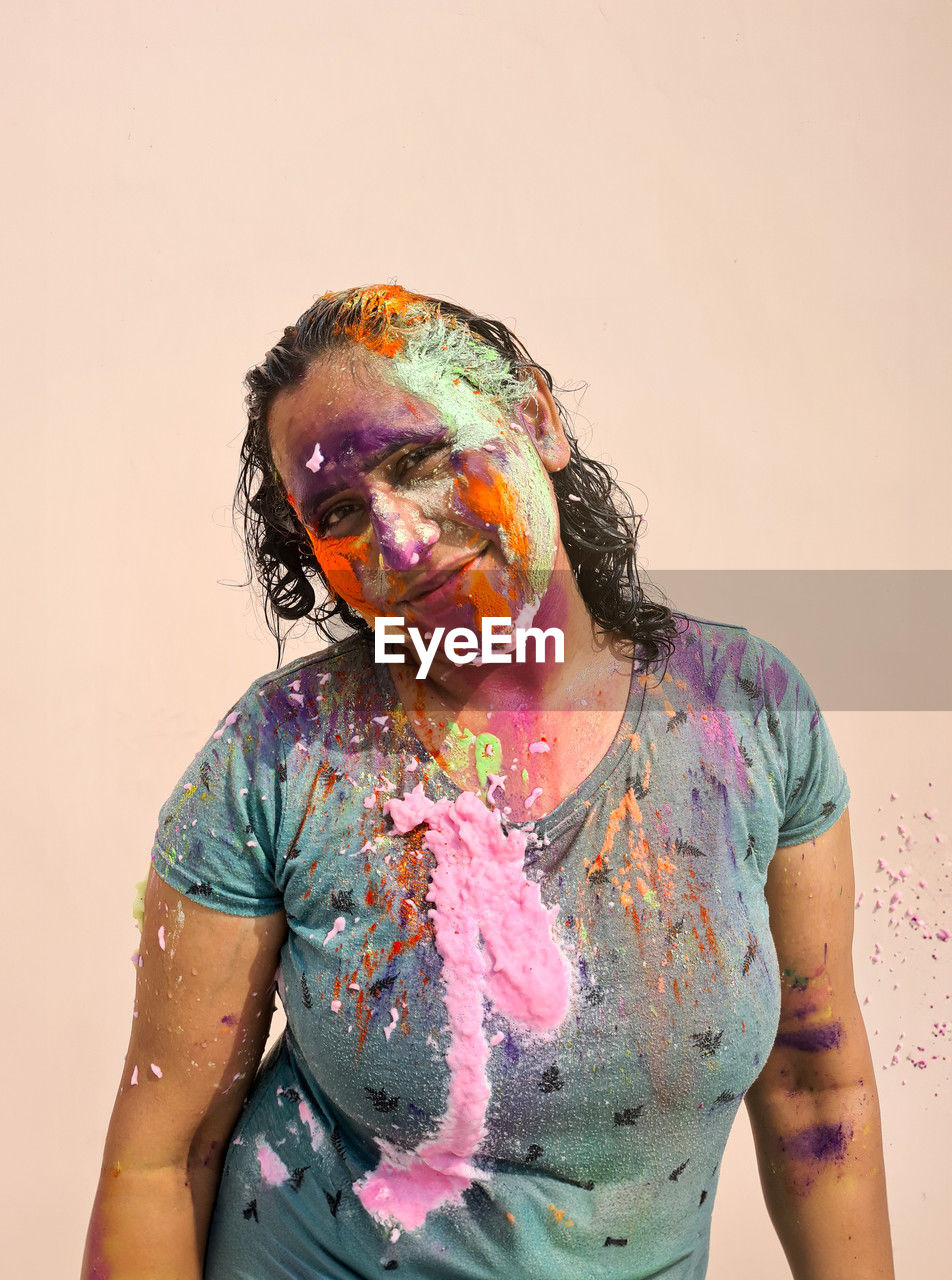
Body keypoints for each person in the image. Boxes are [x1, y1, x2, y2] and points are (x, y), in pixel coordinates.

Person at [82, 285, 895, 1280]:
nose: (402, 539)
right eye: (339, 511)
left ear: (537, 419)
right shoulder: (279, 756)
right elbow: (163, 1154)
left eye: (420, 459)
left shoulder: (750, 713)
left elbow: (818, 1087)